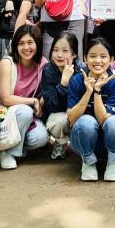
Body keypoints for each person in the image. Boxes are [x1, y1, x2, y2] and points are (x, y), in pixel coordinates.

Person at [67, 37, 115, 182]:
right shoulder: (77, 80)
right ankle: (88, 161)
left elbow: (103, 120)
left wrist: (97, 91)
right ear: (85, 58)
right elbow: (71, 118)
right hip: (83, 140)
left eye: (103, 56)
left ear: (111, 59)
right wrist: (88, 92)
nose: (97, 61)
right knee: (85, 121)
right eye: (93, 56)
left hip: (110, 140)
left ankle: (113, 161)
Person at [0, 24, 49, 169]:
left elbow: (46, 92)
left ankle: (14, 144)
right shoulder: (8, 62)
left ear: (37, 44)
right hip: (5, 115)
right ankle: (8, 153)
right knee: (25, 111)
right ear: (15, 45)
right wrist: (32, 101)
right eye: (21, 43)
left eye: (30, 42)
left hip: (27, 118)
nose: (26, 47)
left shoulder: (43, 64)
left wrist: (40, 103)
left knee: (41, 138)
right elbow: (5, 98)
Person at [40, 31, 87, 159]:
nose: (59, 55)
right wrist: (63, 84)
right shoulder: (48, 70)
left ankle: (83, 144)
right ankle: (60, 143)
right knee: (58, 121)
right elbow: (51, 106)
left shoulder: (83, 70)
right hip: (59, 114)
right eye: (55, 50)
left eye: (65, 51)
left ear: (74, 54)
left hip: (79, 114)